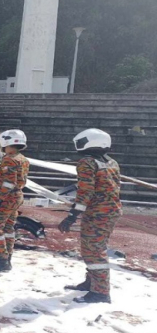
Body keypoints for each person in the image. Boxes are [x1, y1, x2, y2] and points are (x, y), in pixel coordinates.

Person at [58, 129, 121, 304]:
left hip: (97, 212)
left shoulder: (86, 162)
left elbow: (85, 191)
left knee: (93, 250)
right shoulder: (112, 162)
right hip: (110, 210)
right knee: (95, 246)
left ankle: (100, 292)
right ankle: (92, 282)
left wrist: (72, 215)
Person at [0, 129, 29, 274]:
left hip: (7, 197)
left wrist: (0, 199)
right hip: (17, 196)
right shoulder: (22, 158)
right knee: (8, 228)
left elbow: (9, 182)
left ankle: (1, 259)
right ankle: (6, 258)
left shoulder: (9, 159)